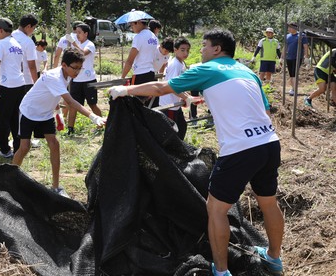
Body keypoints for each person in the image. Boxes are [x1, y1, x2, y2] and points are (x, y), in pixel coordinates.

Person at [109, 29, 284, 276]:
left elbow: (161, 88)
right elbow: (264, 113)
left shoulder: (209, 68)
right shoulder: (248, 72)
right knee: (268, 203)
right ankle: (275, 259)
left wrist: (125, 90)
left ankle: (221, 271)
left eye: (204, 45)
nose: (200, 50)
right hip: (269, 142)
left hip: (240, 149)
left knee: (216, 210)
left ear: (217, 49)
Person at [13, 48, 105, 197]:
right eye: (74, 68)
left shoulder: (67, 75)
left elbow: (53, 95)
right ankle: (11, 177)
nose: (77, 72)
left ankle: (56, 187)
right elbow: (70, 101)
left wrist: (57, 113)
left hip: (46, 114)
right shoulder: (53, 77)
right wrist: (94, 117)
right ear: (64, 65)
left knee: (55, 144)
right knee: (24, 147)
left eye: (80, 69)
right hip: (29, 111)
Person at [0, 18, 25, 158]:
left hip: (7, 86)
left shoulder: (1, 44)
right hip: (20, 85)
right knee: (15, 117)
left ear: (1, 30)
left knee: (0, 118)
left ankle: (4, 150)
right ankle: (17, 148)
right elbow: (20, 66)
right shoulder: (17, 44)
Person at [65, 24, 103, 135]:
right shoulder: (75, 44)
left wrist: (73, 43)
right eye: (76, 32)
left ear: (86, 33)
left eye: (79, 32)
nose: (77, 35)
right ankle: (70, 129)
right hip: (76, 80)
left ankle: (101, 124)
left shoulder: (89, 44)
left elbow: (82, 53)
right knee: (73, 105)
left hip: (88, 80)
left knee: (92, 104)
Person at [120, 16, 159, 105]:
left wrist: (122, 78)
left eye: (132, 25)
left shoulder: (139, 37)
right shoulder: (154, 37)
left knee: (138, 105)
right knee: (149, 105)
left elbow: (130, 61)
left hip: (140, 75)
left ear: (138, 22)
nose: (131, 28)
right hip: (151, 73)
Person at [159, 37, 191, 140]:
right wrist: (186, 97)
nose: (185, 53)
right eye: (182, 50)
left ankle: (178, 150)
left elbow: (179, 84)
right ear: (175, 49)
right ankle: (171, 152)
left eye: (187, 50)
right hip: (169, 104)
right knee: (173, 131)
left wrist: (184, 95)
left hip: (175, 102)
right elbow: (172, 86)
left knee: (181, 127)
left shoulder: (180, 63)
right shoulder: (175, 65)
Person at [281, 22, 309, 96]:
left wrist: (306, 57)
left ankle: (294, 89)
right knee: (291, 74)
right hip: (289, 57)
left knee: (294, 73)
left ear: (295, 28)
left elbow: (305, 46)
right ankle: (293, 88)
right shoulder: (287, 36)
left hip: (297, 57)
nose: (289, 29)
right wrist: (282, 57)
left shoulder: (301, 35)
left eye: (290, 27)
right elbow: (285, 47)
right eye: (288, 27)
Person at [12, 14, 39, 87]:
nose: (33, 31)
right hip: (25, 81)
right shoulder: (28, 42)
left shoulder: (10, 36)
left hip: (9, 80)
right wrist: (36, 84)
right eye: (34, 28)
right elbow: (32, 66)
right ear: (28, 26)